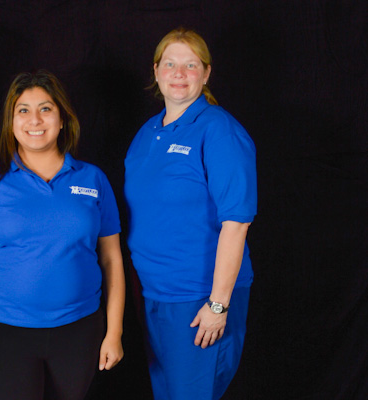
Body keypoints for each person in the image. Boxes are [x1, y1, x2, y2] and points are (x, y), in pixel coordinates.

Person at [0, 70, 126, 400]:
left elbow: (112, 259)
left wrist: (114, 332)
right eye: (23, 110)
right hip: (4, 333)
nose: (35, 119)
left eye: (46, 109)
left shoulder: (93, 179)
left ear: (62, 120)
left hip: (79, 330)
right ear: (11, 121)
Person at [124, 28, 257, 399]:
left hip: (199, 299)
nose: (179, 73)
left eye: (190, 65)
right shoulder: (146, 134)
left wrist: (217, 304)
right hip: (154, 296)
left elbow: (237, 221)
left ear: (206, 73)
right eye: (170, 63)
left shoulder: (218, 130)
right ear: (156, 71)